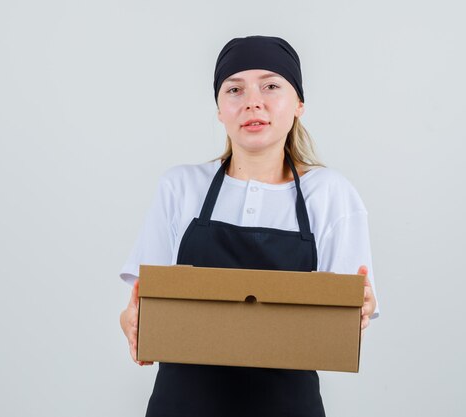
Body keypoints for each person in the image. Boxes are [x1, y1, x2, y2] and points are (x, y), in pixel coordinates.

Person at [119, 35, 379, 417]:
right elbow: (145, 300)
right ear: (220, 110)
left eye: (271, 86)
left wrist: (359, 309)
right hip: (183, 405)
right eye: (234, 89)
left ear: (299, 104)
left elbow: (342, 319)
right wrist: (132, 322)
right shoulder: (179, 187)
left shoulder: (331, 193)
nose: (252, 101)